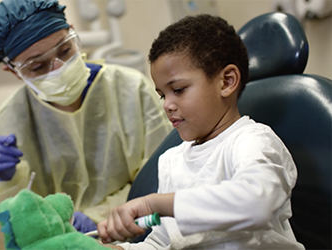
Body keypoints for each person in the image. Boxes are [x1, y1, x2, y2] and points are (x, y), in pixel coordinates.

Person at [0, 0, 173, 249]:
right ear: (13, 71)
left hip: (139, 237)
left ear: (74, 34)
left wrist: (101, 217)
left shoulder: (130, 90)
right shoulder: (3, 127)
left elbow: (162, 179)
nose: (58, 68)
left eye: (64, 51)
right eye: (38, 66)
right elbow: (0, 237)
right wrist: (4, 184)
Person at [97, 14, 305, 250]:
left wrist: (153, 204)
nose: (167, 104)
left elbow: (257, 202)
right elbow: (163, 242)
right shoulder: (172, 161)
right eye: (163, 95)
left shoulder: (251, 141)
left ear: (226, 81)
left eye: (178, 89)